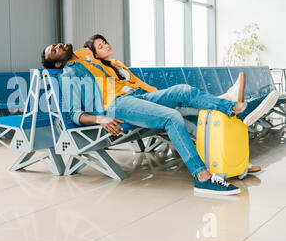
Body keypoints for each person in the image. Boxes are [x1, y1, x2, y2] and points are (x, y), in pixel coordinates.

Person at [40, 42, 279, 195]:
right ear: (58, 62)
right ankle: (202, 177)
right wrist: (100, 119)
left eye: (56, 44)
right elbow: (73, 114)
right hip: (116, 106)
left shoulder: (84, 58)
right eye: (54, 49)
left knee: (184, 91)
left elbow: (94, 51)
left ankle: (232, 107)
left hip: (134, 96)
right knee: (173, 117)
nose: (58, 45)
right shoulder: (69, 73)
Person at [83, 34, 262, 173]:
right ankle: (228, 102)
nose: (106, 45)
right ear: (93, 53)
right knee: (181, 114)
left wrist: (160, 96)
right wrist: (89, 54)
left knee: (185, 98)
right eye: (100, 46)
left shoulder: (116, 64)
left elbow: (140, 83)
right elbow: (79, 56)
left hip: (141, 98)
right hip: (120, 104)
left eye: (105, 42)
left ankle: (235, 156)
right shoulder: (92, 66)